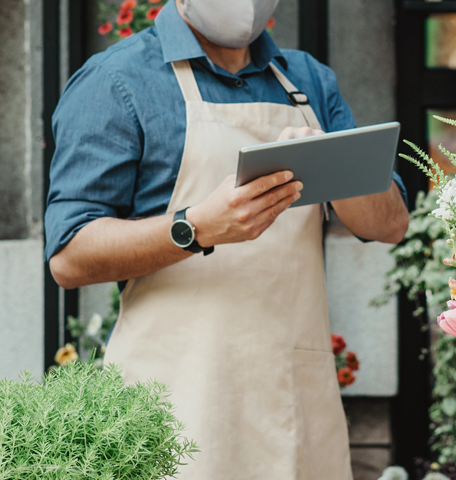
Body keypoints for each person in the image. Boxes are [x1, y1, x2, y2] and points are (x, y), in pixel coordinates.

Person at [44, 0, 409, 478]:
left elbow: (390, 224)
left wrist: (328, 157)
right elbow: (69, 257)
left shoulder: (308, 81)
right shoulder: (116, 80)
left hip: (296, 404)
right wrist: (195, 227)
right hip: (173, 403)